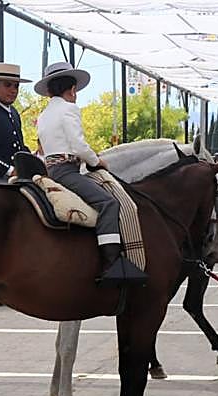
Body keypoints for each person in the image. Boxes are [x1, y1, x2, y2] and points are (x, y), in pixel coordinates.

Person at [35, 61, 145, 286]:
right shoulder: (69, 108)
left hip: (51, 169)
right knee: (108, 203)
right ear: (72, 89)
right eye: (76, 91)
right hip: (67, 171)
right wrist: (97, 161)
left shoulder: (44, 114)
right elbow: (78, 145)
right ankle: (110, 263)